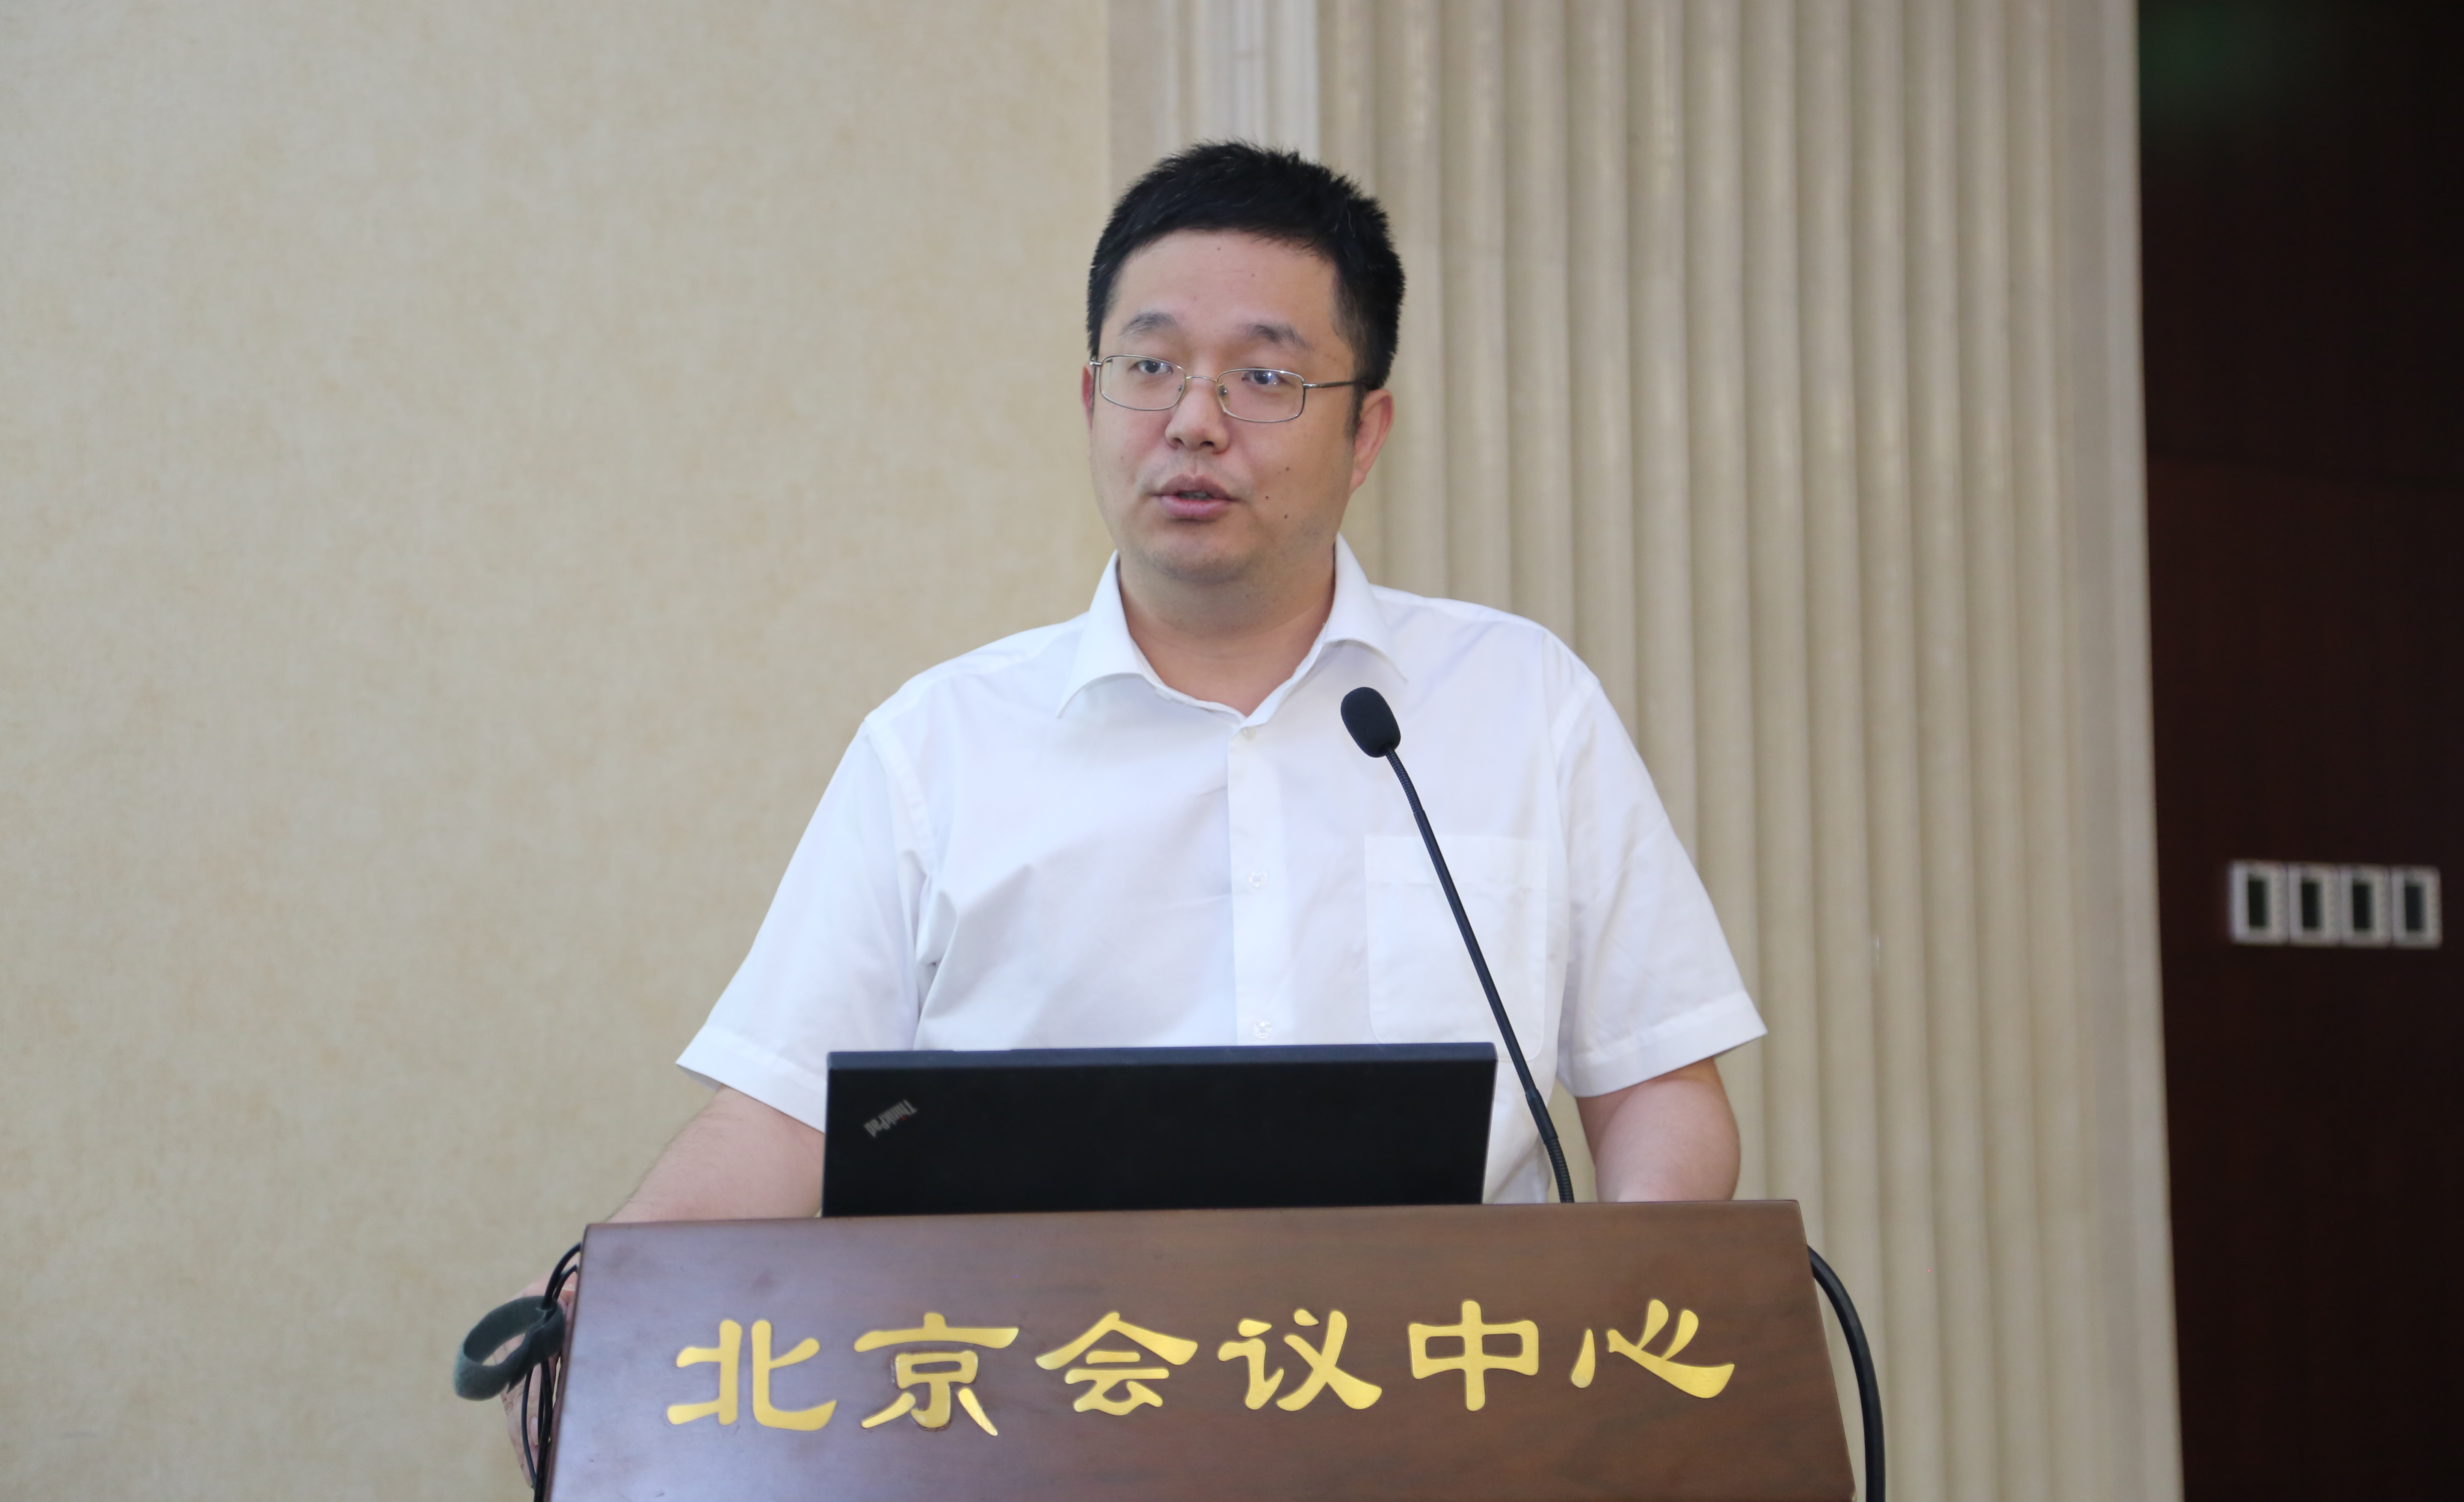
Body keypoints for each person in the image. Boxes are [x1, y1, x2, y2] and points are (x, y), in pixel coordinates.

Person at [507, 146, 1764, 1449]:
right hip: (1034, 1432)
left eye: (1265, 377)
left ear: (1366, 432)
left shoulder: (1518, 700)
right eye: (1150, 366)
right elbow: (788, 1116)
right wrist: (613, 1318)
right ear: (1092, 398)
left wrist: (1621, 1340)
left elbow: (1658, 1086)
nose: (1194, 421)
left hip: (1448, 1425)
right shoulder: (941, 744)